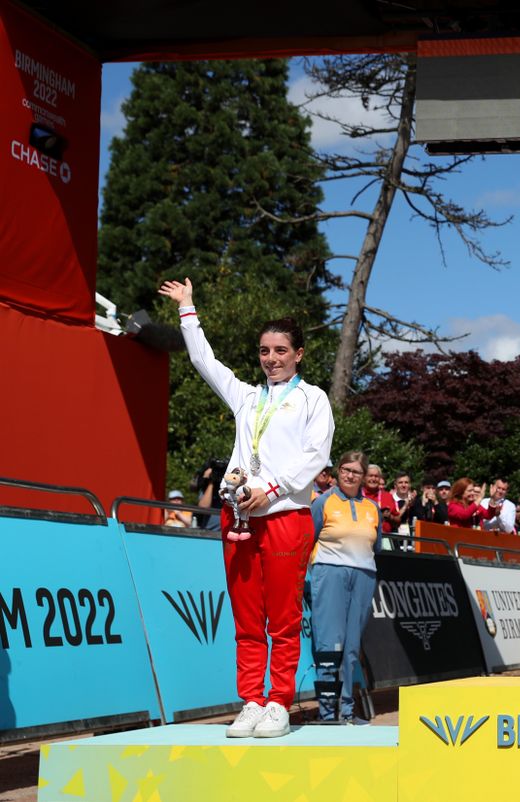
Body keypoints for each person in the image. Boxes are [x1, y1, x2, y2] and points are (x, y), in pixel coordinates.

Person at [160, 278, 334, 739]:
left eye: (280, 350)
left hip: (285, 517)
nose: (271, 359)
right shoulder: (246, 396)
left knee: (284, 618)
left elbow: (316, 456)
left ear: (298, 354)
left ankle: (279, 701)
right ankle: (251, 700)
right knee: (245, 619)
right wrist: (188, 307)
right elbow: (203, 361)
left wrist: (272, 488)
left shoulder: (312, 398)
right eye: (264, 351)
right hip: (238, 519)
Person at [309, 450, 380, 724]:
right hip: (330, 573)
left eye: (356, 471)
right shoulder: (323, 502)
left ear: (364, 476)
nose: (350, 475)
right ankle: (328, 714)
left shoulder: (372, 508)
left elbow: (376, 544)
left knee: (351, 647)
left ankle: (348, 712)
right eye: (346, 469)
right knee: (329, 646)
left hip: (363, 575)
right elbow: (309, 540)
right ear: (338, 471)